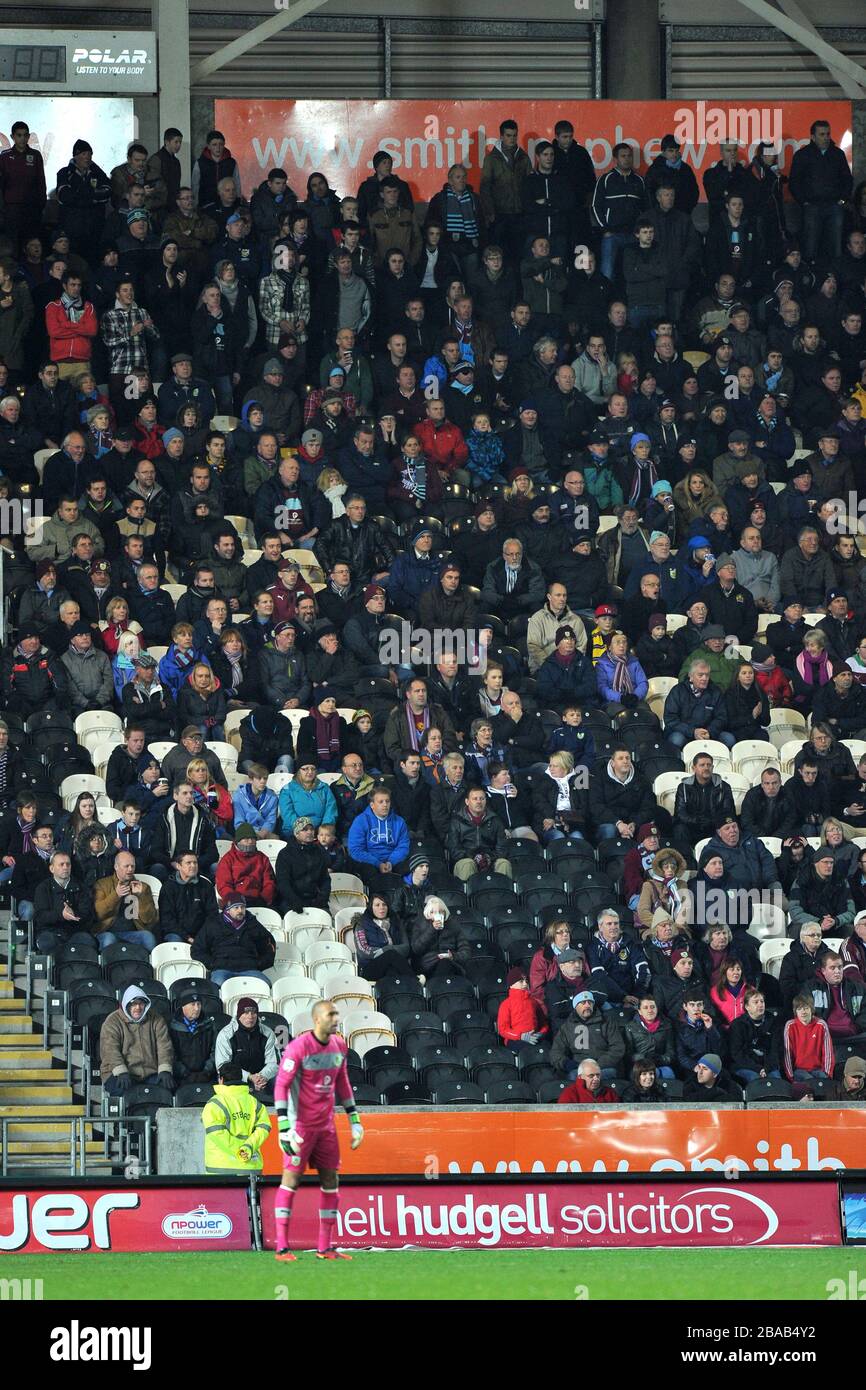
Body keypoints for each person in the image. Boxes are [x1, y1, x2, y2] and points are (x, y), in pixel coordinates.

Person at [273, 998, 363, 1261]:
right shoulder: (298, 1048)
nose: (336, 1019)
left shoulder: (338, 1045)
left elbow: (343, 1083)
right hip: (300, 1126)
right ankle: (282, 1247)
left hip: (326, 1127)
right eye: (330, 1014)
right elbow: (280, 1085)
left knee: (330, 1181)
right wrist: (283, 1125)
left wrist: (354, 1119)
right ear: (316, 1020)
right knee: (291, 1180)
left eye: (336, 1014)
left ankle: (325, 1247)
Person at [99, 984, 175, 1098]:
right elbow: (110, 1050)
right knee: (125, 1093)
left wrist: (165, 1069)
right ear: (126, 1005)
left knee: (167, 1090)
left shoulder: (157, 1019)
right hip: (119, 1073)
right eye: (134, 1004)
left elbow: (164, 1046)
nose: (138, 1007)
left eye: (141, 1003)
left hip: (151, 1072)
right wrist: (121, 1071)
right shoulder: (112, 1021)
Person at [191, 892, 275, 987]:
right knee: (216, 985)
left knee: (265, 984)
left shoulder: (253, 924)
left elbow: (270, 945)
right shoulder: (213, 924)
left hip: (249, 969)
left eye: (242, 907)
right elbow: (197, 949)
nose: (240, 910)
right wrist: (213, 963)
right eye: (236, 907)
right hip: (222, 969)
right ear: (227, 910)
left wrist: (259, 964)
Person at [202, 1059, 271, 1173]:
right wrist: (247, 1148)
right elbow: (264, 1128)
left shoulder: (215, 1104)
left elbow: (217, 1135)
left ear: (221, 1079)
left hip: (220, 1169)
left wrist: (240, 1151)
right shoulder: (254, 1103)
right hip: (251, 1167)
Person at [92, 851, 158, 951]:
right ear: (116, 867)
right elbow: (98, 914)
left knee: (148, 937)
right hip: (107, 931)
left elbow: (149, 920)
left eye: (132, 866)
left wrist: (141, 896)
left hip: (134, 933)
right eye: (126, 866)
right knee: (109, 939)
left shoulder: (143, 887)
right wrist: (116, 895)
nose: (130, 869)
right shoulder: (102, 884)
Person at [214, 997, 280, 1097]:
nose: (250, 1016)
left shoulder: (268, 1033)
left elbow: (274, 1062)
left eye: (253, 1012)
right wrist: (249, 1077)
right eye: (246, 1013)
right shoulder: (226, 1034)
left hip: (262, 1079)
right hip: (236, 1078)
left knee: (282, 1080)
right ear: (239, 1014)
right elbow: (222, 1065)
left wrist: (261, 1077)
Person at [782, 994, 835, 1083]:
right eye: (799, 1009)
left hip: (818, 1070)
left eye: (806, 1008)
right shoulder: (790, 1026)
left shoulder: (821, 1025)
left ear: (812, 1009)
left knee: (825, 1084)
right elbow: (787, 1054)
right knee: (810, 1082)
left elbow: (828, 1053)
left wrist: (827, 1074)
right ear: (795, 1011)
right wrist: (791, 1077)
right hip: (799, 1070)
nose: (803, 1012)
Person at [496, 966, 548, 1051]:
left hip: (534, 1038)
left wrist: (541, 1033)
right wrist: (521, 1036)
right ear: (511, 985)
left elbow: (543, 1024)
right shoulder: (506, 1004)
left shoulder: (534, 1002)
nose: (525, 984)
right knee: (529, 1050)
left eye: (526, 981)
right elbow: (503, 1029)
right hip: (515, 1040)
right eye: (521, 981)